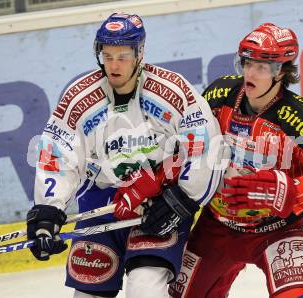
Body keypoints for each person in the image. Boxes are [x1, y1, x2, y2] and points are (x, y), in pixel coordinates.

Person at [25, 13, 225, 298]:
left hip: (157, 202)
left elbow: (204, 143)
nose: (114, 65)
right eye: (107, 55)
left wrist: (182, 200)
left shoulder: (172, 91)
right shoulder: (80, 98)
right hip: (101, 199)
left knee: (144, 289)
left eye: (122, 55)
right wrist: (48, 210)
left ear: (139, 53)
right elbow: (58, 153)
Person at [169, 23, 303, 298]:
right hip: (217, 226)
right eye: (247, 63)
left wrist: (287, 191)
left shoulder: (302, 118)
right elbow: (188, 143)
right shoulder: (220, 94)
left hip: (280, 230)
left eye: (262, 67)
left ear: (282, 72)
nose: (250, 73)